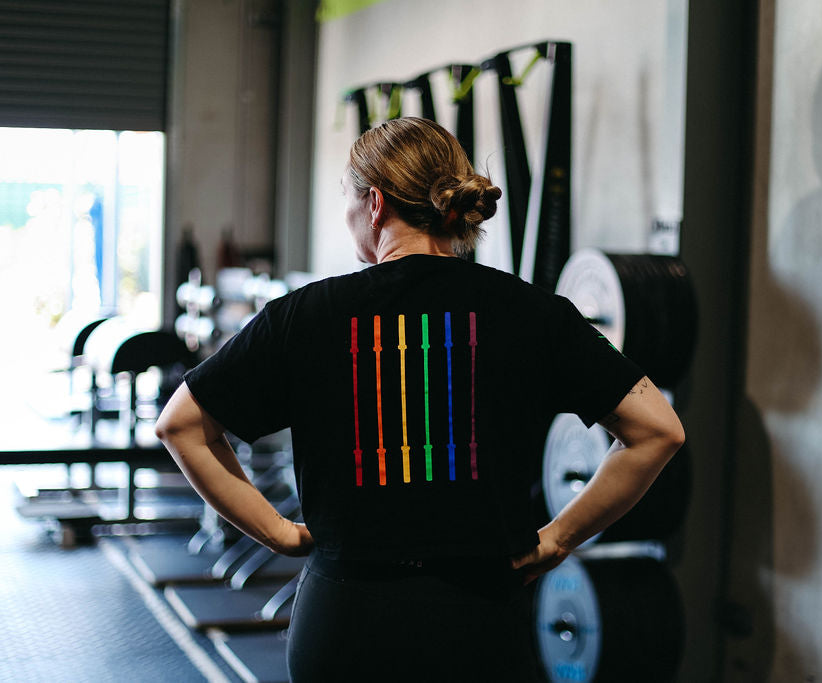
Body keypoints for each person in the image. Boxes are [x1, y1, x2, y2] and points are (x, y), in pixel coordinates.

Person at [155, 117, 685, 682]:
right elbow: (659, 430)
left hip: (345, 619)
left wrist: (278, 532)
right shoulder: (533, 311)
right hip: (479, 620)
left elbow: (180, 425)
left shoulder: (304, 315)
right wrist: (558, 538)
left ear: (375, 204)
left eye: (347, 201)